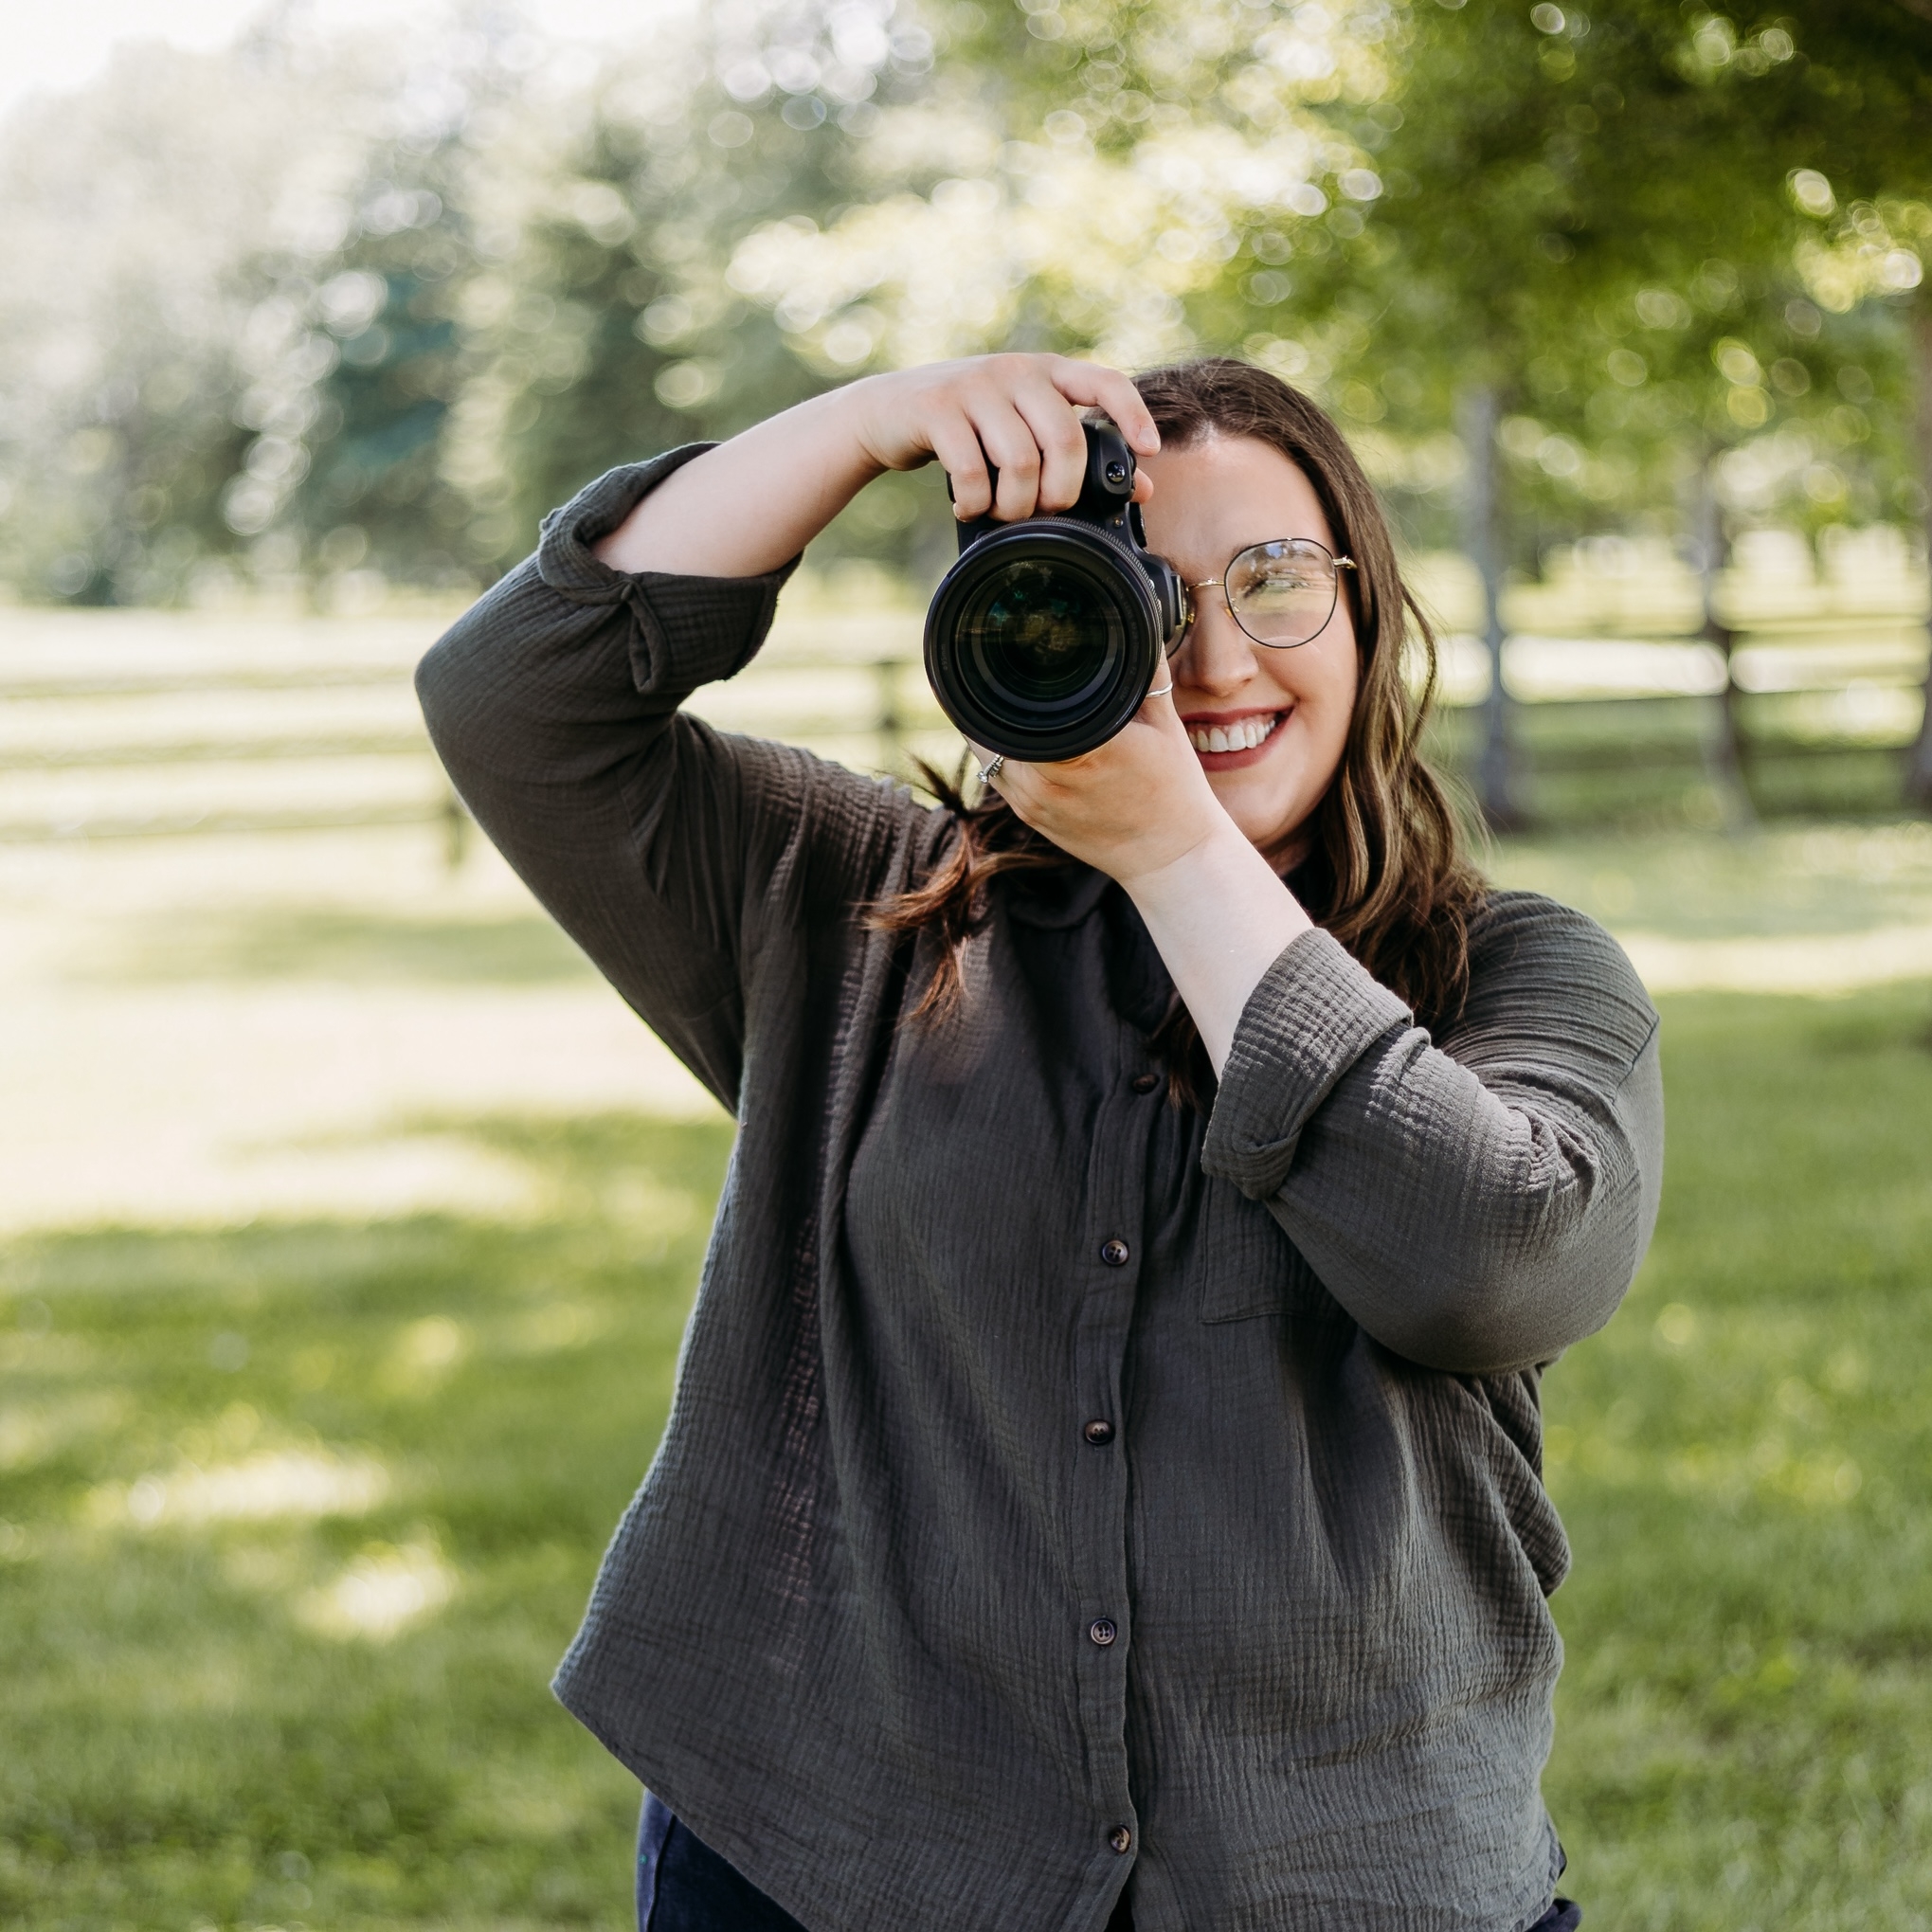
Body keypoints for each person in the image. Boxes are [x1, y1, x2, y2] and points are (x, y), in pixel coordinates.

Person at [416, 352, 1663, 1932]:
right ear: (1013, 629)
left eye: (1273, 580)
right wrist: (868, 420)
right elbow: (513, 699)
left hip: (1343, 1880)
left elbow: (1490, 1270)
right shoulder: (850, 909)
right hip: (838, 1857)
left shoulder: (1525, 978)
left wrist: (1174, 855)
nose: (1207, 658)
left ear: (1365, 608)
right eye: (1138, 597)